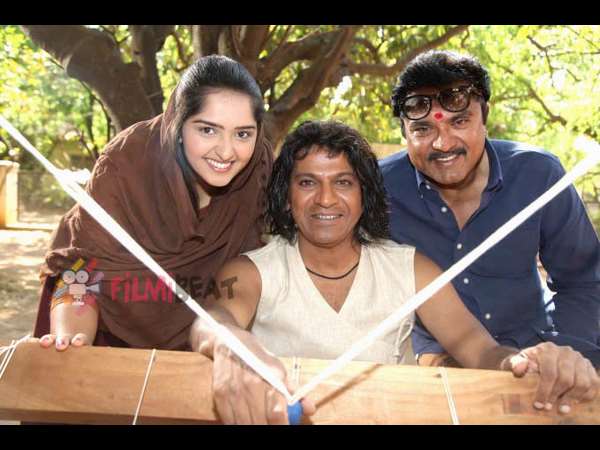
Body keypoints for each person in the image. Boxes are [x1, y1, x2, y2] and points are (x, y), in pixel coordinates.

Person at [189, 120, 599, 425]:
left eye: (343, 182)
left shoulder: (410, 268)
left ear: (364, 195)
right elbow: (213, 320)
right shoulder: (251, 271)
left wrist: (523, 361)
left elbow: (479, 350)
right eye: (308, 183)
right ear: (286, 196)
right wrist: (231, 346)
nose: (326, 199)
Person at [35, 55, 273, 351]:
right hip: (105, 333)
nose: (226, 152)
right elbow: (81, 268)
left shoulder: (259, 172)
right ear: (178, 124)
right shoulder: (125, 164)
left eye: (242, 134)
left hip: (211, 341)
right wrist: (72, 339)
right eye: (207, 130)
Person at [380, 50, 600, 368]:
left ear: (485, 117)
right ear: (404, 131)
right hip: (439, 368)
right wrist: (427, 356)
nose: (443, 143)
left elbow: (583, 281)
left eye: (459, 122)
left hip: (541, 353)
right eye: (423, 130)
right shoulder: (377, 188)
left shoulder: (539, 174)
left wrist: (561, 354)